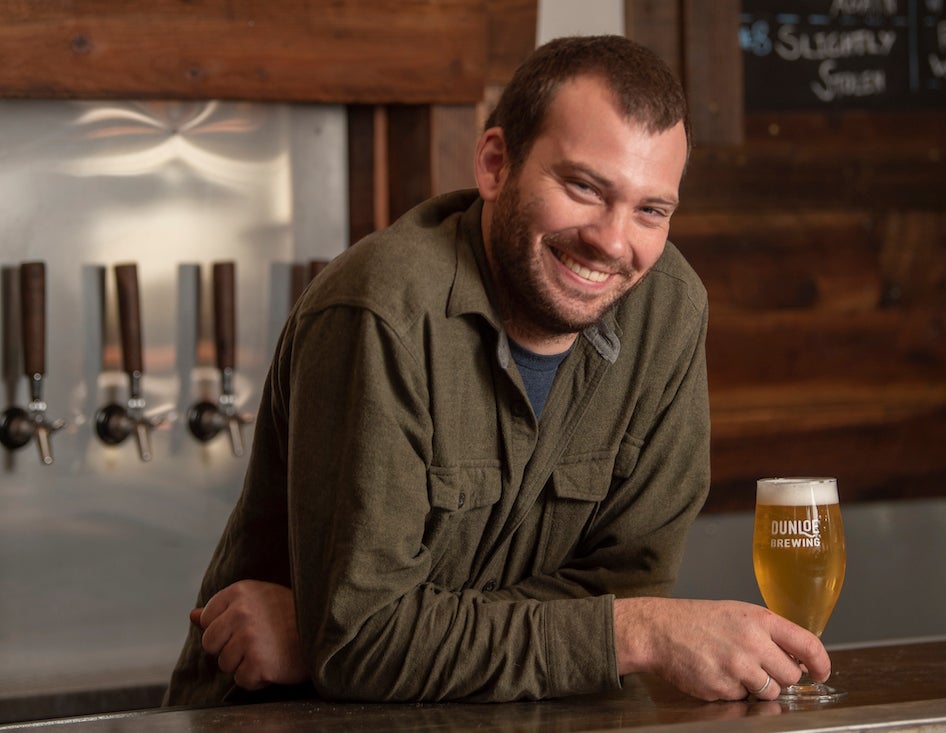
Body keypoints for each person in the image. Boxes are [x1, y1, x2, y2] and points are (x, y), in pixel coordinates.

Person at [164, 34, 830, 706]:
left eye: (650, 210)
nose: (612, 240)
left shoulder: (668, 310)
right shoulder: (383, 312)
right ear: (493, 164)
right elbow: (367, 641)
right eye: (583, 187)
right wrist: (637, 631)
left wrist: (337, 637)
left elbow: (624, 587)